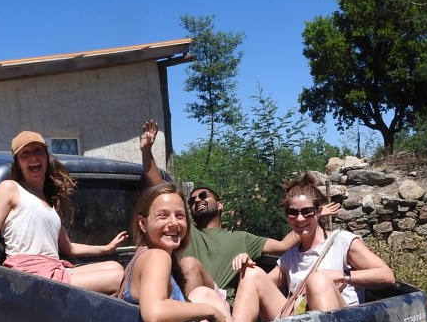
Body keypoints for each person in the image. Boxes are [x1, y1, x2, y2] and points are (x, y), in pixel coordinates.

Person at [139, 119, 339, 302]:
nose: (197, 200)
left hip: (225, 305)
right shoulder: (186, 232)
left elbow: (283, 245)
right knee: (188, 264)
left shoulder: (241, 239)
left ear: (220, 205)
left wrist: (312, 217)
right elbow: (159, 188)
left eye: (203, 196)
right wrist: (147, 151)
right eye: (191, 200)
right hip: (191, 303)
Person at [0, 131, 127, 294]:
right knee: (118, 278)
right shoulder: (10, 188)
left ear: (46, 157)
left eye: (38, 151)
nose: (33, 157)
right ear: (18, 164)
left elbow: (69, 248)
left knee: (116, 267)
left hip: (53, 270)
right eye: (25, 153)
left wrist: (105, 249)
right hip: (29, 276)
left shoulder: (48, 204)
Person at [231, 171, 395, 322]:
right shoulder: (290, 257)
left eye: (307, 212)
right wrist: (246, 266)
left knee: (318, 280)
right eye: (293, 212)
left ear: (318, 212)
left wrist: (339, 275)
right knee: (251, 274)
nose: (300, 218)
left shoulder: (342, 241)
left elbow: (386, 276)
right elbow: (258, 286)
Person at [117, 182, 231, 322]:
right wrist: (209, 310)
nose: (174, 223)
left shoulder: (141, 256)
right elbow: (155, 314)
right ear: (143, 223)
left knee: (204, 293)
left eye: (179, 215)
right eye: (163, 216)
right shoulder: (156, 256)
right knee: (207, 295)